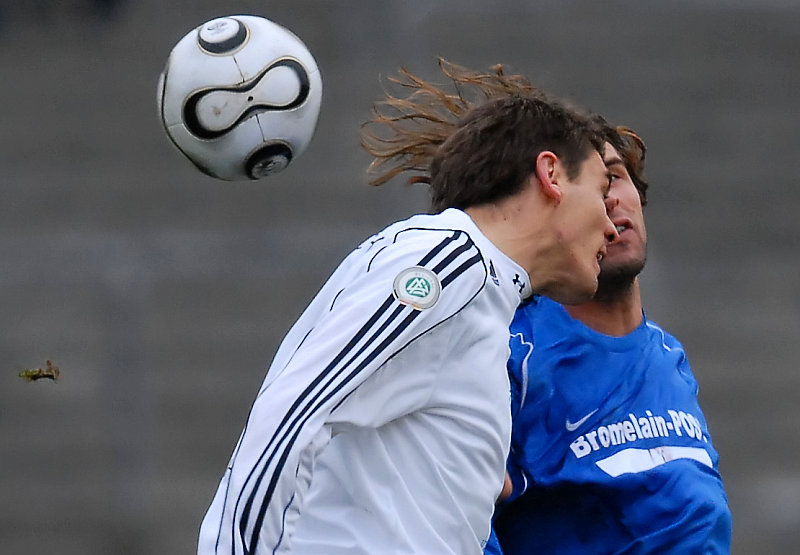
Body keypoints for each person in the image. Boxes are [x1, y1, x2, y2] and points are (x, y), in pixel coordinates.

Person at [197, 61, 618, 554]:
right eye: (602, 191)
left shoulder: (482, 291)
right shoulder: (450, 264)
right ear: (551, 174)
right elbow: (292, 418)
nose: (611, 226)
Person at [485, 121, 733, 553]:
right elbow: (460, 521)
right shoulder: (512, 355)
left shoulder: (668, 355)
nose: (610, 200)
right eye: (590, 189)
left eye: (614, 177)